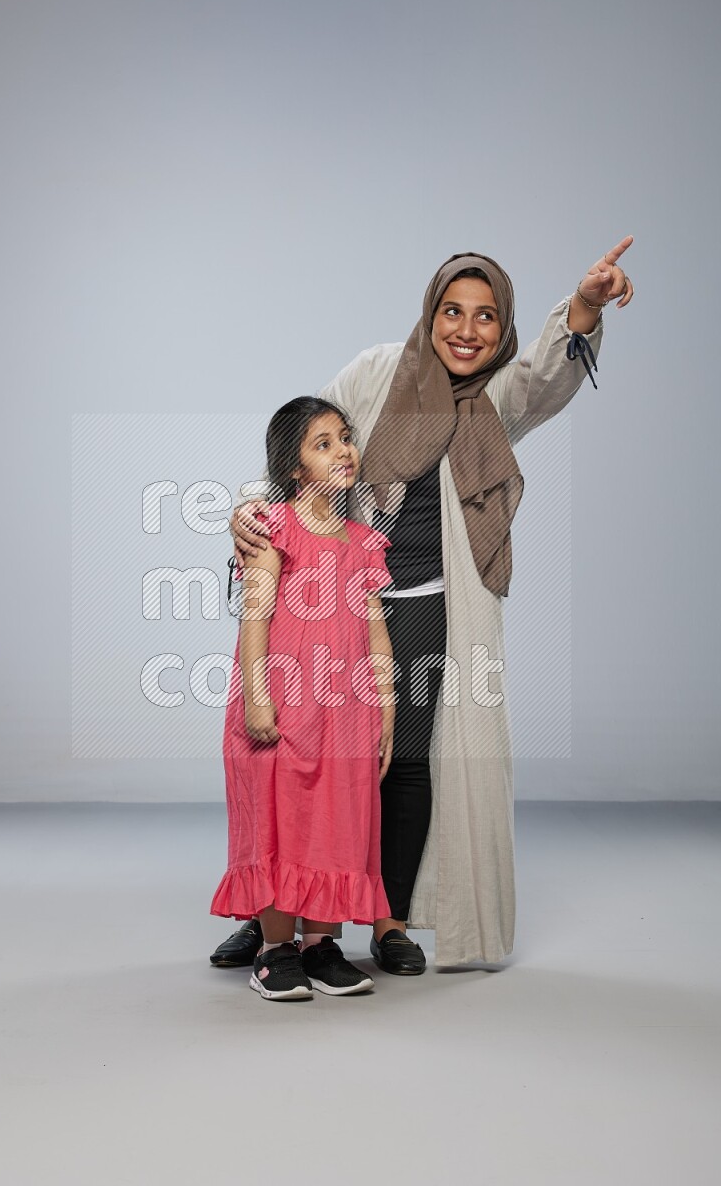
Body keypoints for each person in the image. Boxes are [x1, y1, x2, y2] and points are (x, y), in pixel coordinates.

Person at [212, 237, 634, 973]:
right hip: (328, 599)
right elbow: (304, 441)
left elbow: (547, 375)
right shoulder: (377, 372)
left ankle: (389, 922)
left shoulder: (497, 398)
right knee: (292, 760)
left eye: (486, 316)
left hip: (425, 604)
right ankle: (268, 915)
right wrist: (248, 509)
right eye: (452, 311)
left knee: (400, 762)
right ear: (430, 313)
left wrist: (584, 308)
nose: (466, 331)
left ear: (503, 328)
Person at [210, 396, 396, 999]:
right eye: (323, 444)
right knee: (279, 818)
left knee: (335, 821)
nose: (343, 451)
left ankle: (319, 944)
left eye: (345, 438)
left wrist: (387, 711)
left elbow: (375, 632)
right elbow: (255, 617)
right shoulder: (276, 530)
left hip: (347, 712)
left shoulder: (364, 542)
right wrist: (257, 698)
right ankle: (274, 949)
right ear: (294, 467)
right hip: (283, 704)